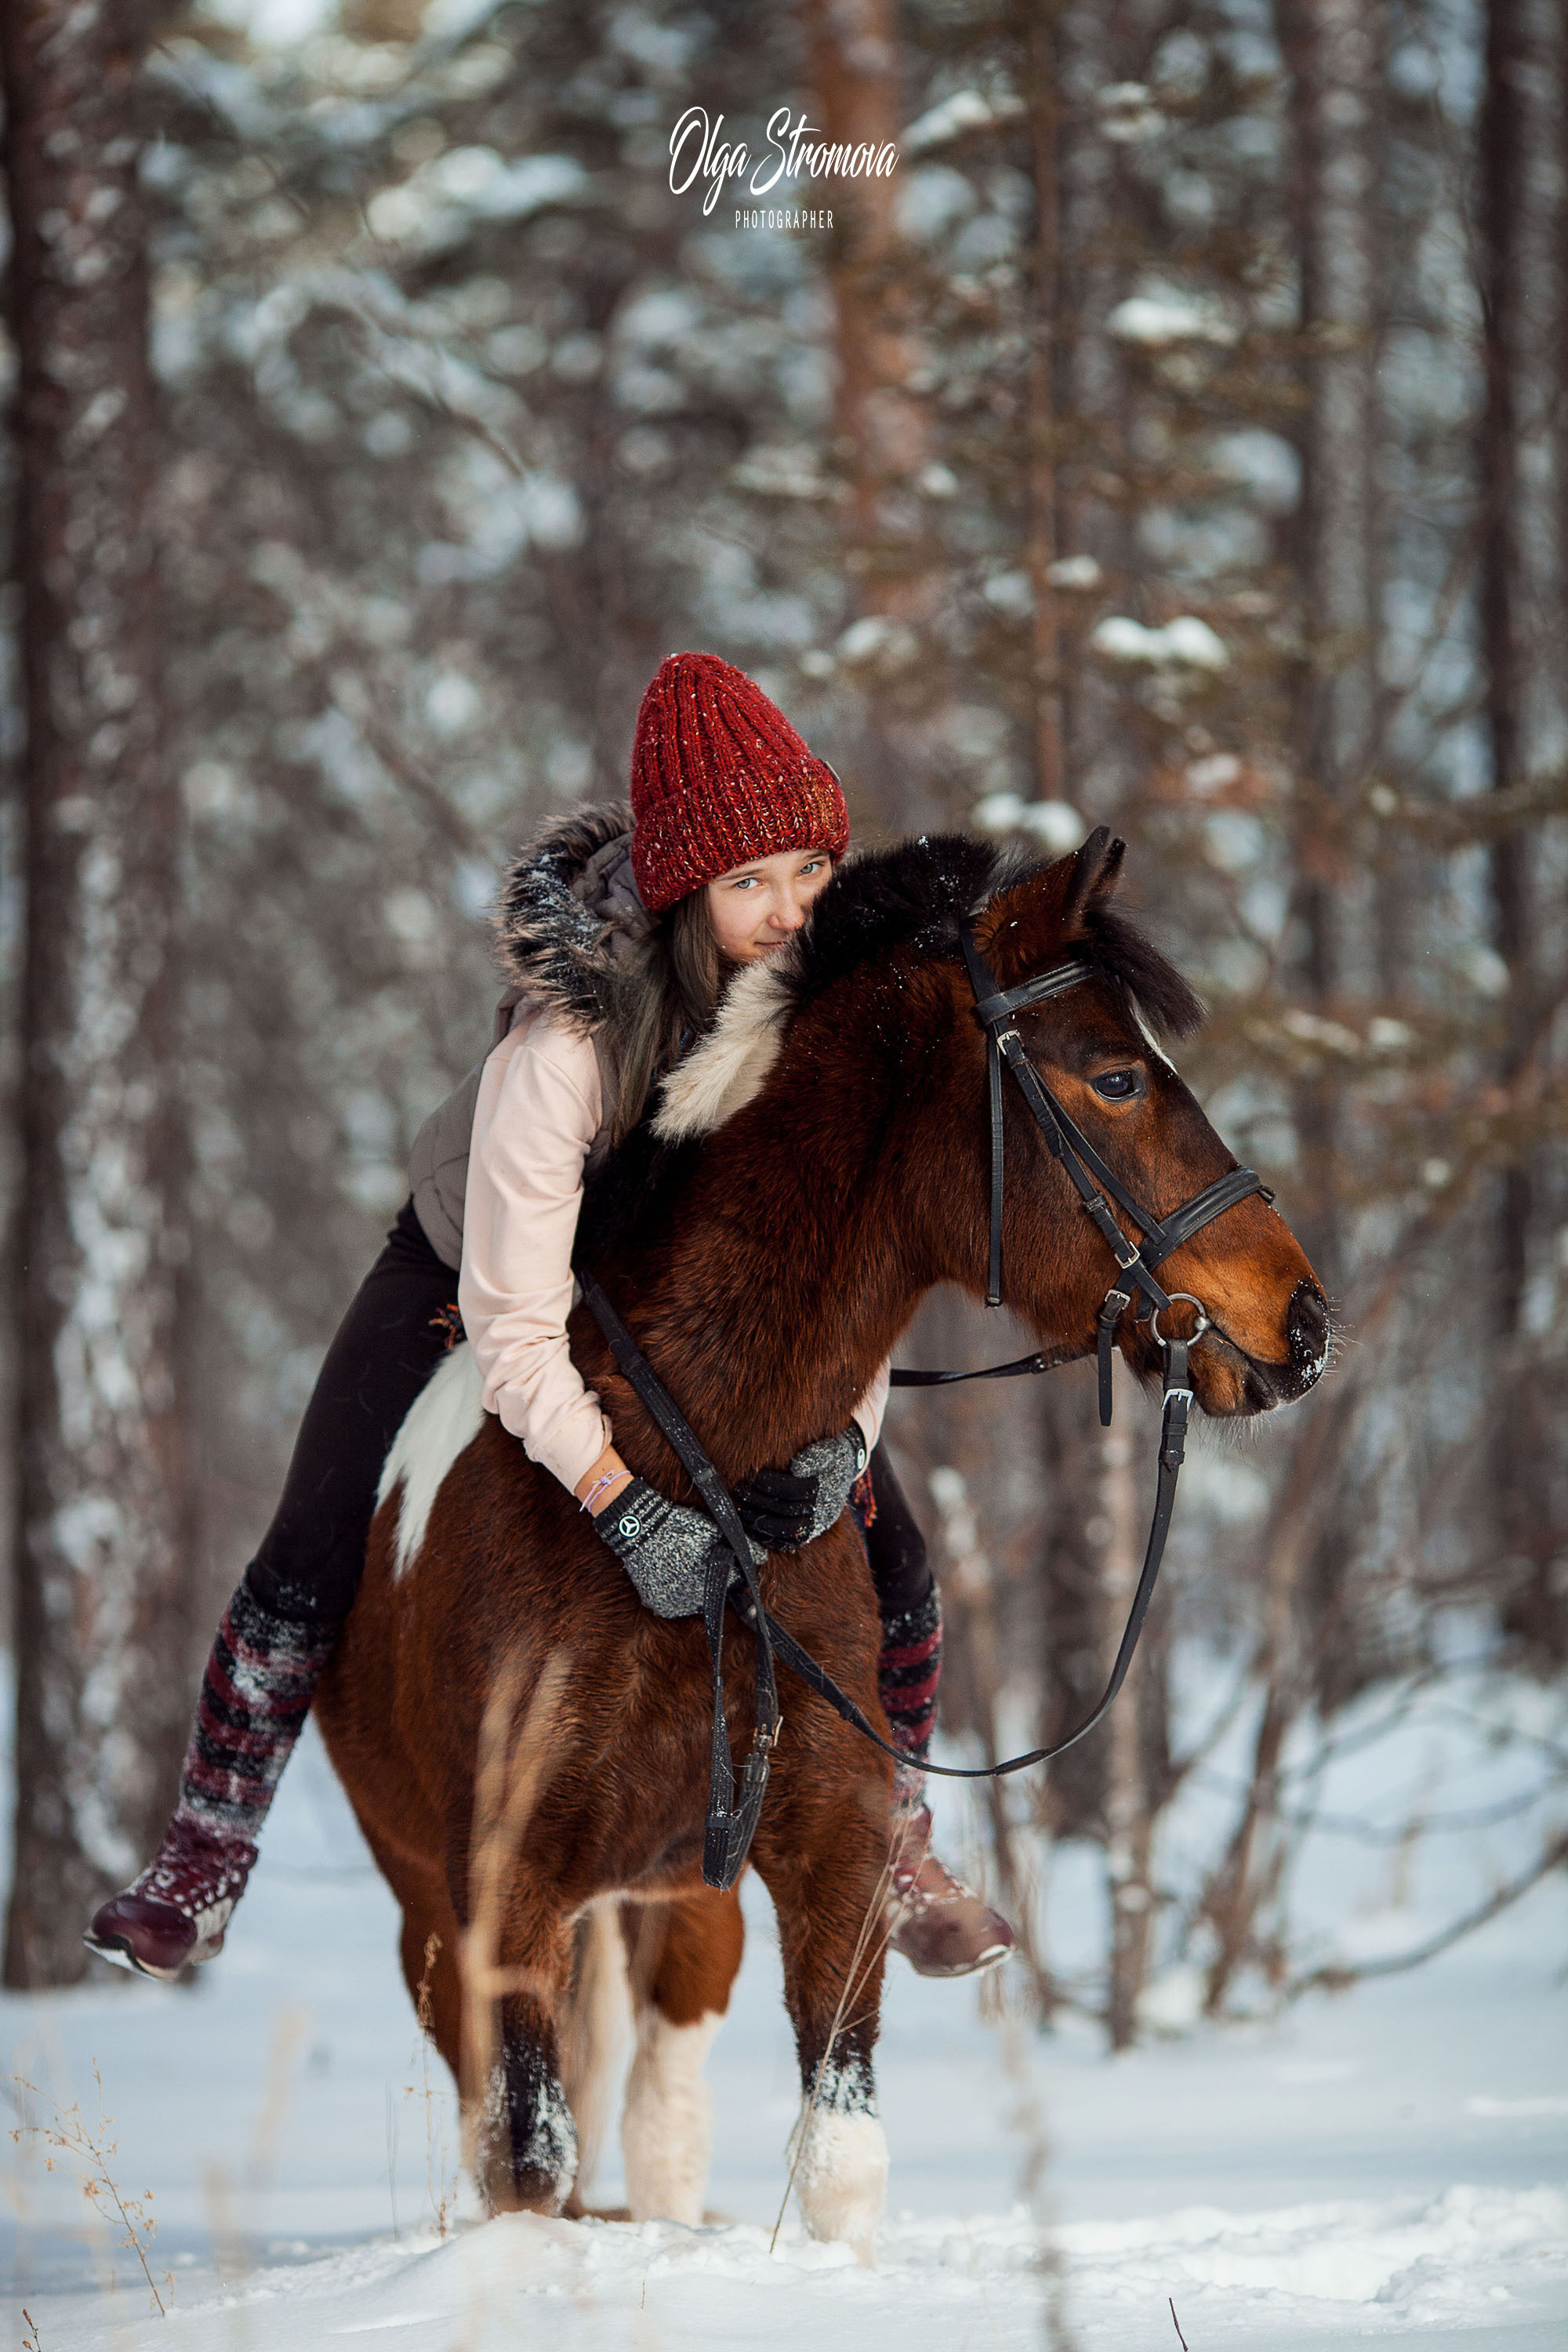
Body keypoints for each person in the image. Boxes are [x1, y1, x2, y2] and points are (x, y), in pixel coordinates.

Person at [86, 652, 1015, 1987]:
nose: (789, 910)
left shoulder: (819, 1021)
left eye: (810, 870)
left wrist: (841, 1442)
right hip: (481, 1272)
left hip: (679, 1301)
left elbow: (838, 1287)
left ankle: (902, 1835)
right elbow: (514, 1326)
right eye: (748, 883)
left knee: (899, 1570)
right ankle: (204, 1851)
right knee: (313, 1537)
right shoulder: (566, 1045)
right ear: (684, 895)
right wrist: (621, 1502)